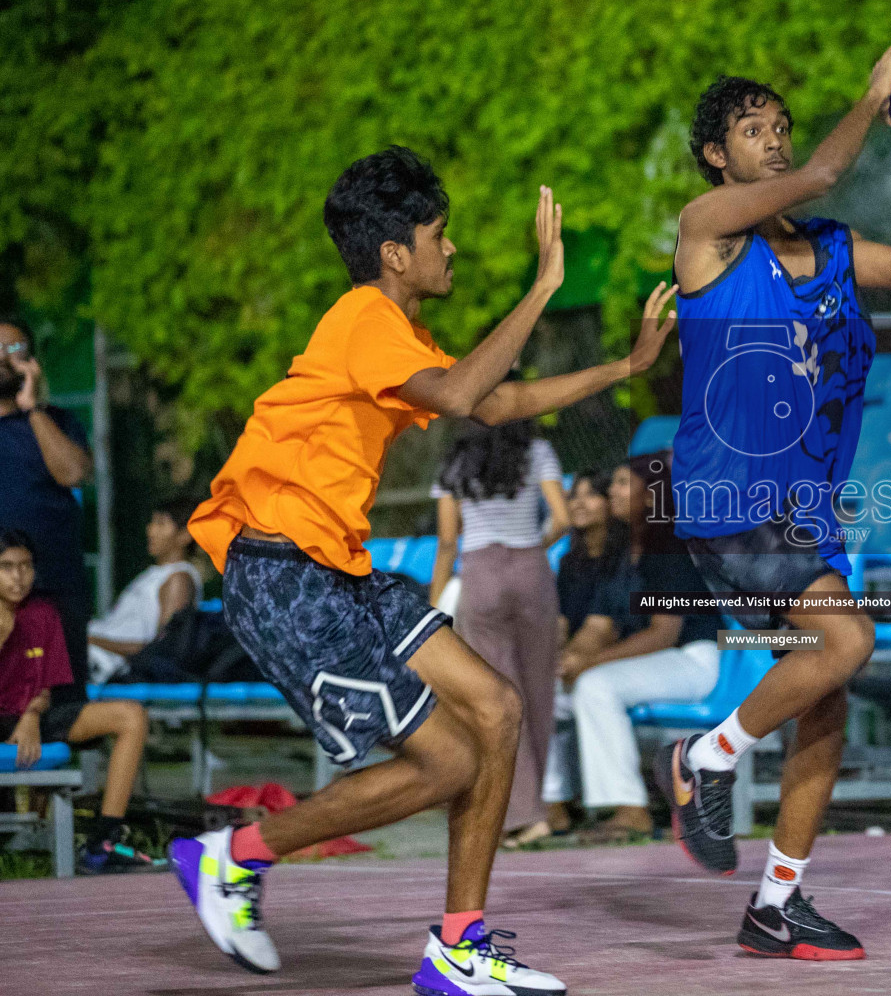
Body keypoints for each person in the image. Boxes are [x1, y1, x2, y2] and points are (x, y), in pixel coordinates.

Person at [173, 146, 675, 995]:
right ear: (396, 252)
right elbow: (455, 398)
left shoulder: (395, 335)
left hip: (334, 568)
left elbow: (491, 401)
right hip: (282, 574)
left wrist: (622, 367)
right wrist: (542, 287)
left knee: (498, 708)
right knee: (449, 763)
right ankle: (232, 857)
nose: (452, 250)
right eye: (440, 236)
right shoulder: (364, 316)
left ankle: (458, 947)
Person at [654, 49, 891, 961]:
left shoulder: (838, 250)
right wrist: (876, 97)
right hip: (730, 496)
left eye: (780, 128)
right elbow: (823, 171)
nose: (773, 143)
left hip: (809, 511)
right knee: (847, 640)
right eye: (751, 132)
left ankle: (777, 904)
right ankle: (707, 757)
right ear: (715, 159)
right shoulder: (710, 234)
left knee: (828, 700)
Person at [562, 456, 723, 843]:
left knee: (596, 685)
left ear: (650, 496)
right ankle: (552, 806)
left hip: (691, 659)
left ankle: (630, 810)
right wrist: (568, 659)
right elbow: (601, 622)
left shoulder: (669, 543)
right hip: (652, 661)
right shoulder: (622, 551)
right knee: (552, 690)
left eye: (621, 483)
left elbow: (664, 633)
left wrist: (589, 663)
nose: (611, 492)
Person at [428, 408, 569, 850]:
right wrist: (530, 548)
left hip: (482, 573)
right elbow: (562, 519)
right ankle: (533, 812)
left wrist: (434, 601)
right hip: (531, 570)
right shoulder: (538, 451)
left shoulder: (455, 461)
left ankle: (515, 814)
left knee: (495, 694)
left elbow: (448, 539)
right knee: (537, 691)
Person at [0, 529, 157, 873]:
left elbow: (45, 685)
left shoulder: (42, 612)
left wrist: (30, 715)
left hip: (32, 712)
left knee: (131, 716)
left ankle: (103, 840)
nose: (18, 576)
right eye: (7, 566)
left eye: (25, 566)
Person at [0, 316, 94, 705]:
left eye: (14, 350)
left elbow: (74, 473)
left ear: (32, 362)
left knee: (64, 707)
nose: (3, 358)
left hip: (55, 589)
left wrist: (32, 408)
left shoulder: (55, 421)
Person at [541, 470, 630, 832]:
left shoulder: (625, 556)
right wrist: (548, 657)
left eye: (591, 495)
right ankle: (555, 801)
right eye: (574, 494)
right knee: (533, 689)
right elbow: (561, 623)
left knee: (576, 686)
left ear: (610, 503)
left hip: (619, 656)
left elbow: (603, 627)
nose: (578, 502)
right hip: (582, 658)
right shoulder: (570, 561)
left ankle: (614, 807)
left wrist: (572, 658)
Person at [88, 497, 203, 682]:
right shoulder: (154, 575)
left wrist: (89, 639)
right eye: (152, 522)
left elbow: (164, 649)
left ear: (185, 535)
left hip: (109, 669)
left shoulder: (179, 579)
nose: (150, 530)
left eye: (161, 523)